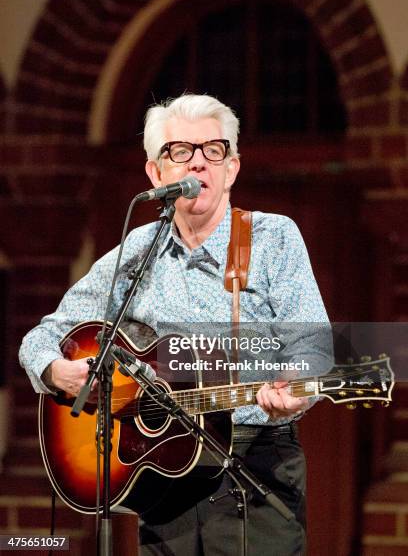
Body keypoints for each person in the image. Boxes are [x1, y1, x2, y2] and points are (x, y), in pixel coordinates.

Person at [20, 94, 333, 555]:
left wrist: (295, 390)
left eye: (214, 150)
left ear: (233, 168)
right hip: (164, 481)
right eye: (181, 151)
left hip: (254, 474)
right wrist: (55, 371)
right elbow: (43, 336)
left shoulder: (272, 238)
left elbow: (314, 346)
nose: (199, 164)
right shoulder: (137, 252)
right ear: (156, 173)